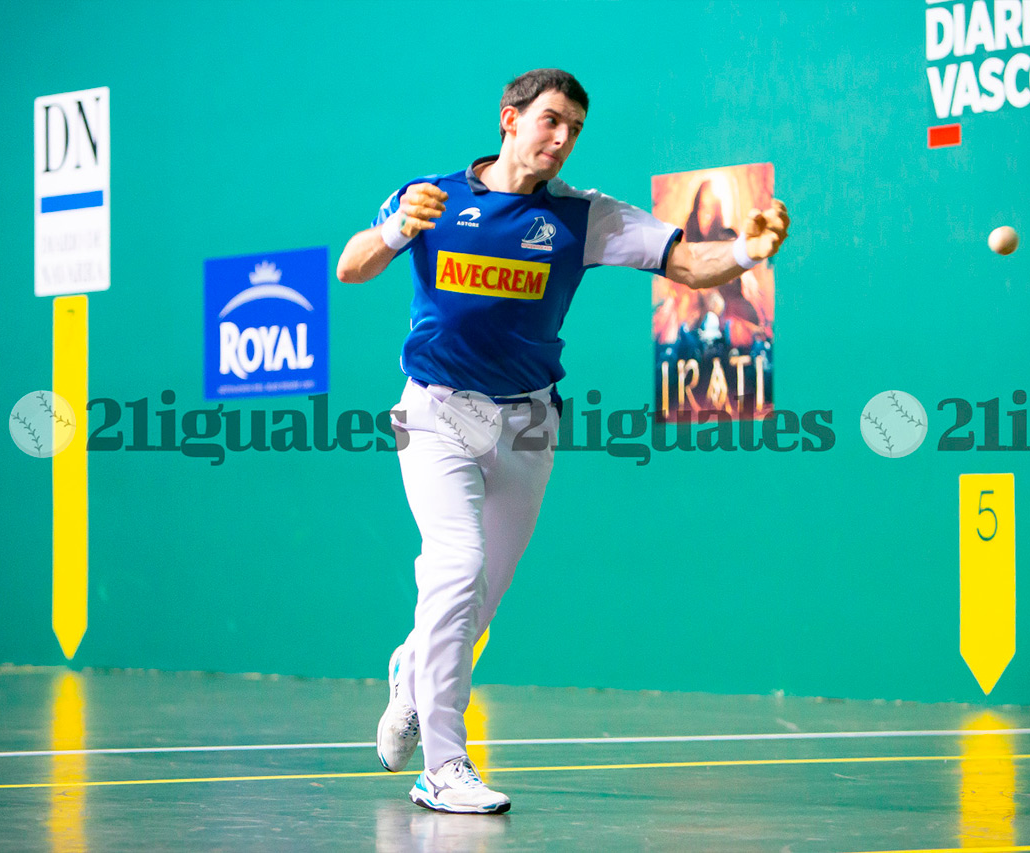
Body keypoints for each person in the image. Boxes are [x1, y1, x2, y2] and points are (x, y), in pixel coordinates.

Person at [335, 68, 790, 815]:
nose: (562, 138)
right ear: (509, 118)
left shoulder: (585, 216)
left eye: (574, 128)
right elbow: (352, 267)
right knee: (457, 567)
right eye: (551, 120)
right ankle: (443, 767)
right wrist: (396, 229)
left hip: (528, 424)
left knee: (480, 598)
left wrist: (746, 252)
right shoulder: (431, 196)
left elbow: (686, 263)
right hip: (437, 411)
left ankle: (412, 670)